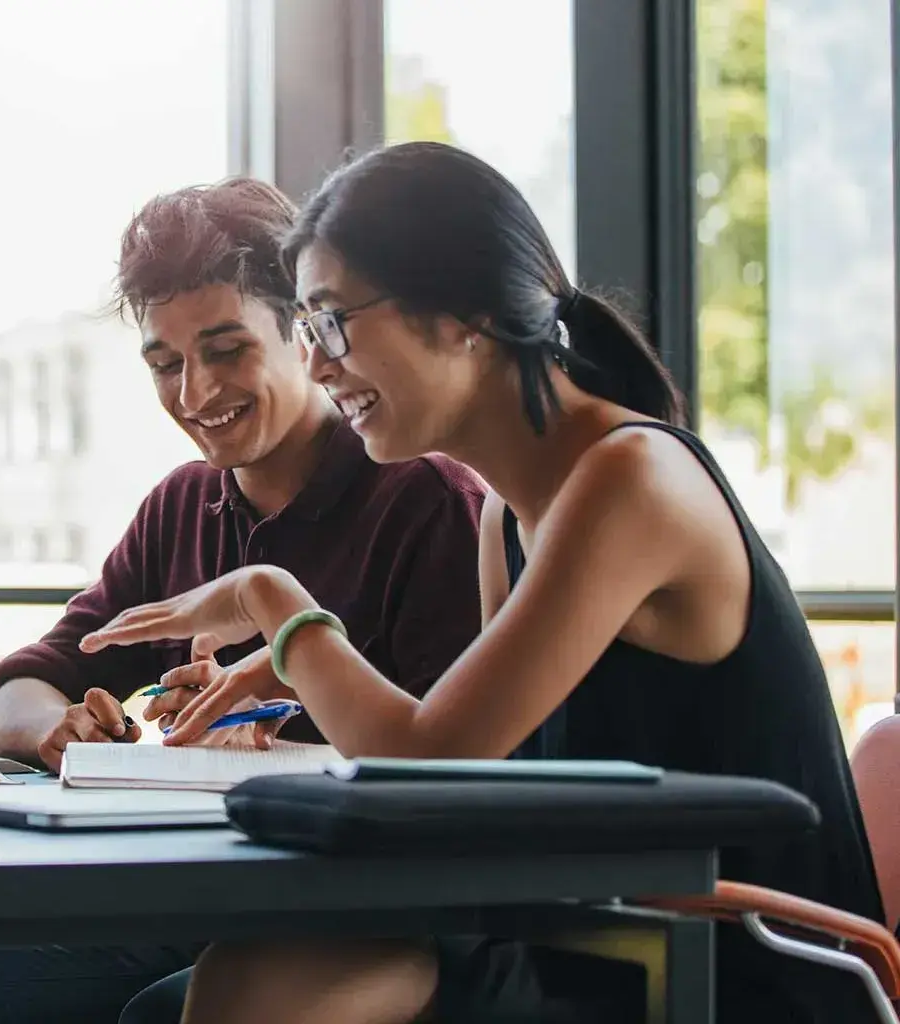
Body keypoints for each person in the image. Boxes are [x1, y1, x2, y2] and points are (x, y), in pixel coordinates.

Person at [79, 142, 887, 1024]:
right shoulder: (508, 517)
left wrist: (274, 605)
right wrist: (297, 666)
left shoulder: (629, 481)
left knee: (249, 991)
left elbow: (428, 761)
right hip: (595, 939)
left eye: (334, 323)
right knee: (232, 984)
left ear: (462, 314)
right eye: (309, 331)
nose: (315, 365)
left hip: (731, 969)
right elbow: (472, 791)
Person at [0, 178, 488, 1024]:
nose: (195, 394)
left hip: (362, 917)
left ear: (304, 333)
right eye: (165, 364)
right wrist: (56, 730)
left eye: (227, 351)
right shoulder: (181, 506)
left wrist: (284, 705)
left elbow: (454, 769)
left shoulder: (424, 498)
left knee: (162, 1015)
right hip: (202, 903)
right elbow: (25, 684)